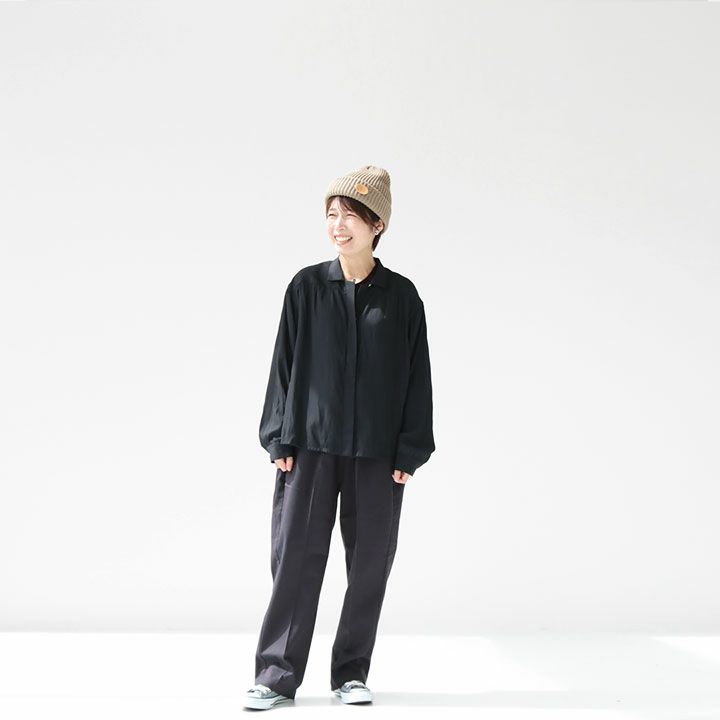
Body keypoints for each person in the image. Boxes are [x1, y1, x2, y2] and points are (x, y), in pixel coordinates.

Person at [244, 165, 435, 710]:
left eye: (351, 215)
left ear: (377, 225)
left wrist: (411, 449)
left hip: (378, 453)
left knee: (369, 564)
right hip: (309, 446)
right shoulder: (306, 288)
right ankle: (276, 675)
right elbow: (283, 365)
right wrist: (277, 436)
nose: (339, 225)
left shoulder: (402, 298)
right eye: (332, 214)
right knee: (295, 561)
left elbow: (417, 376)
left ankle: (351, 673)